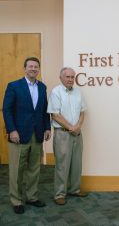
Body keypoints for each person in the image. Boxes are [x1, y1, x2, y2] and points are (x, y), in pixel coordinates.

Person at [2, 57, 51, 214]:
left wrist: (47, 128)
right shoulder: (14, 86)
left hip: (37, 134)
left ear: (39, 69)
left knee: (34, 168)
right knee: (17, 170)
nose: (33, 69)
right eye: (30, 66)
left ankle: (32, 197)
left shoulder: (42, 87)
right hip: (18, 134)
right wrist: (12, 130)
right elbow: (7, 110)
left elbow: (44, 111)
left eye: (36, 67)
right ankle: (16, 200)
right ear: (25, 68)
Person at [47, 67, 87, 205]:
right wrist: (71, 128)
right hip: (63, 134)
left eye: (72, 77)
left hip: (77, 133)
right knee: (62, 165)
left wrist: (78, 126)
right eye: (67, 77)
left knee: (77, 163)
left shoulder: (78, 92)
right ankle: (59, 194)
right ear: (61, 78)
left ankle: (74, 189)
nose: (70, 79)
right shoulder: (56, 92)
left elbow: (83, 112)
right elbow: (55, 115)